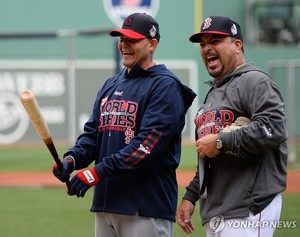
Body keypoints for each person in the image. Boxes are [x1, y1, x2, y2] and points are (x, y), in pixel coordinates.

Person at [52, 12, 196, 237]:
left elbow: (146, 146)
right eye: (122, 39)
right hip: (107, 205)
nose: (124, 45)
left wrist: (96, 173)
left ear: (152, 44)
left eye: (132, 40)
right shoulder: (111, 84)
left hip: (145, 207)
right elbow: (92, 135)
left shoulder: (165, 86)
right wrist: (72, 159)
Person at [176, 16, 288, 237]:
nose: (207, 48)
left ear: (237, 45)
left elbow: (274, 128)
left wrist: (220, 141)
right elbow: (209, 155)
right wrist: (191, 196)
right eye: (203, 44)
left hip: (248, 208)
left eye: (215, 41)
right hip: (217, 212)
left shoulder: (254, 81)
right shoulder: (212, 95)